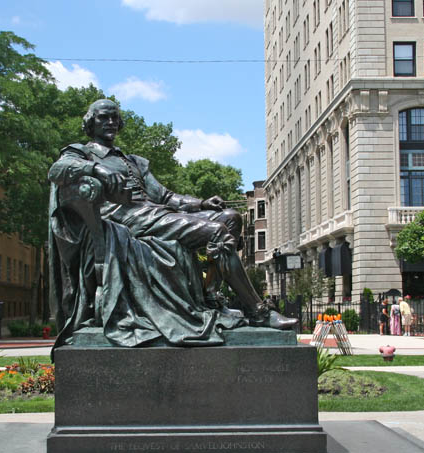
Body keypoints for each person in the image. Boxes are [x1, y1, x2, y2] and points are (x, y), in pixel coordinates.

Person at [48, 99, 296, 347]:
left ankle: (210, 296)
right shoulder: (82, 153)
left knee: (230, 218)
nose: (111, 122)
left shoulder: (132, 161)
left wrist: (201, 204)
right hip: (125, 219)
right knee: (217, 233)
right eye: (104, 117)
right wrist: (96, 170)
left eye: (115, 117)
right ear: (91, 122)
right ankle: (259, 312)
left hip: (154, 213)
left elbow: (166, 197)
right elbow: (58, 170)